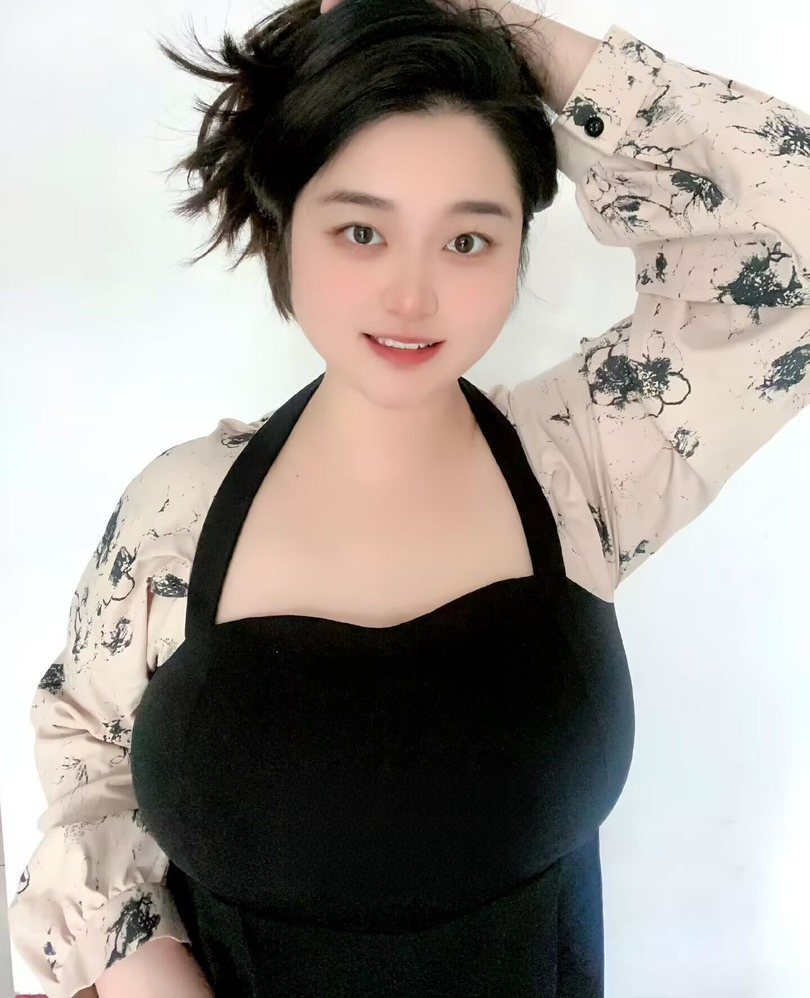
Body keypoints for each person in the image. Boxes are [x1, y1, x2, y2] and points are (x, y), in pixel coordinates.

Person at [8, 0, 810, 995]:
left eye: (468, 241)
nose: (412, 296)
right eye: (361, 231)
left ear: (521, 244)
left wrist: (485, 23)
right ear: (284, 222)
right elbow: (90, 760)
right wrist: (152, 974)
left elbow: (792, 243)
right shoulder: (178, 512)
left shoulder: (588, 461)